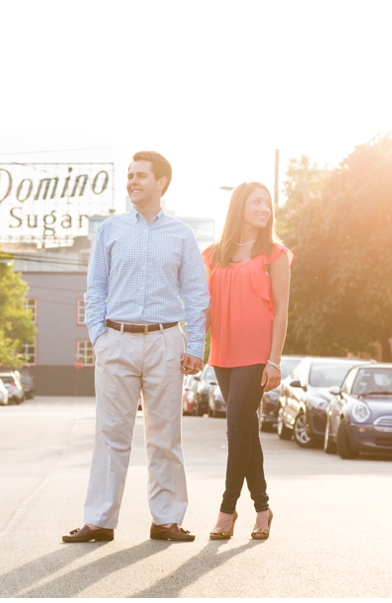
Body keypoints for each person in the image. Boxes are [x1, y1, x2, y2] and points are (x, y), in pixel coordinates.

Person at [62, 151, 209, 543]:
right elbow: (95, 289)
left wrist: (195, 344)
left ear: (162, 182)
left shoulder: (181, 234)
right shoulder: (110, 230)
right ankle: (99, 521)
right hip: (116, 341)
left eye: (141, 175)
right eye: (129, 176)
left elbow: (196, 294)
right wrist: (99, 336)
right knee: (110, 436)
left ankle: (166, 520)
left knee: (165, 437)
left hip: (165, 342)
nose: (132, 182)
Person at [203, 182, 291, 541]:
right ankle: (263, 508)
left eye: (268, 203)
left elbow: (283, 310)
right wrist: (194, 346)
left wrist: (274, 360)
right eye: (257, 201)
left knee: (237, 429)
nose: (264, 208)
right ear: (239, 205)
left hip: (256, 354)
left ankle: (226, 511)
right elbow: (203, 307)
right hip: (223, 353)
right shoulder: (212, 254)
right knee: (248, 431)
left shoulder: (275, 253)